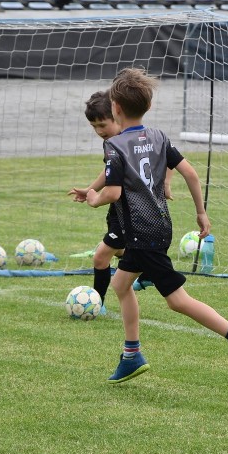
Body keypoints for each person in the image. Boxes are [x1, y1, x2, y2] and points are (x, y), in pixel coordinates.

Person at [83, 68, 228, 383]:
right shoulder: (158, 137)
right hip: (159, 226)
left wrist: (93, 198)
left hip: (141, 233)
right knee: (121, 285)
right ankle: (131, 354)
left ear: (115, 109)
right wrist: (201, 213)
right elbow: (191, 173)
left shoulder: (114, 146)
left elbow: (112, 193)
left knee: (177, 300)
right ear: (148, 107)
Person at [68, 90, 170, 305]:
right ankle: (147, 274)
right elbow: (109, 174)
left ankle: (97, 304)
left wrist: (165, 184)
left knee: (100, 256)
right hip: (120, 211)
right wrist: (89, 190)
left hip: (132, 213)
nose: (98, 131)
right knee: (123, 252)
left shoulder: (123, 143)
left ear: (117, 113)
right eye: (93, 126)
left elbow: (169, 158)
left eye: (102, 125)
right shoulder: (118, 143)